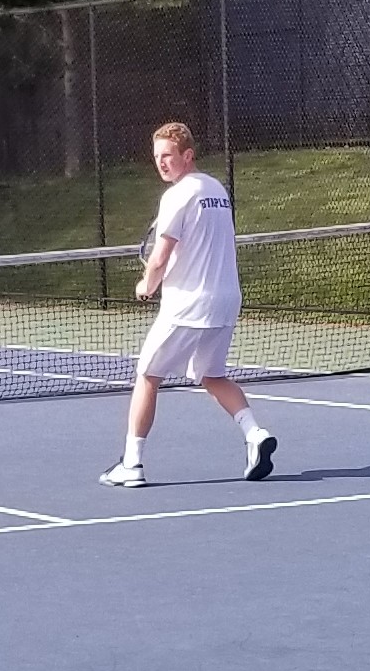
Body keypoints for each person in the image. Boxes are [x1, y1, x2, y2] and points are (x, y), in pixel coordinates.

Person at [100, 122, 276, 488]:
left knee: (148, 376)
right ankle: (255, 434)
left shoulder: (176, 196)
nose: (161, 163)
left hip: (187, 306)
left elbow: (160, 256)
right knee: (212, 375)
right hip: (225, 303)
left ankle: (131, 464)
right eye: (157, 157)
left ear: (188, 155)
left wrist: (147, 285)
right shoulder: (217, 190)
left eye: (168, 155)